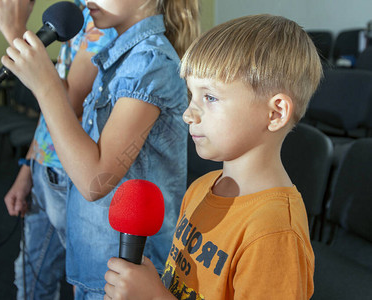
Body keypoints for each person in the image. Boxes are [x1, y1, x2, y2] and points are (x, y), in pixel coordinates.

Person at [103, 14, 323, 300]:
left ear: (276, 113)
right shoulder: (201, 188)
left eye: (210, 97)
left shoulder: (274, 232)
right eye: (191, 95)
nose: (188, 114)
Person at [0, 0, 200, 298]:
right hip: (99, 262)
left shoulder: (150, 62)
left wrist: (46, 86)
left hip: (127, 273)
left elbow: (95, 182)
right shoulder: (121, 55)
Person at [0, 0, 117, 299]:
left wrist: (15, 30)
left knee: (85, 285)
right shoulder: (75, 9)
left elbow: (68, 99)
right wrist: (27, 167)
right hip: (43, 167)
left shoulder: (106, 16)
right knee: (30, 280)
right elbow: (50, 106)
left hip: (70, 177)